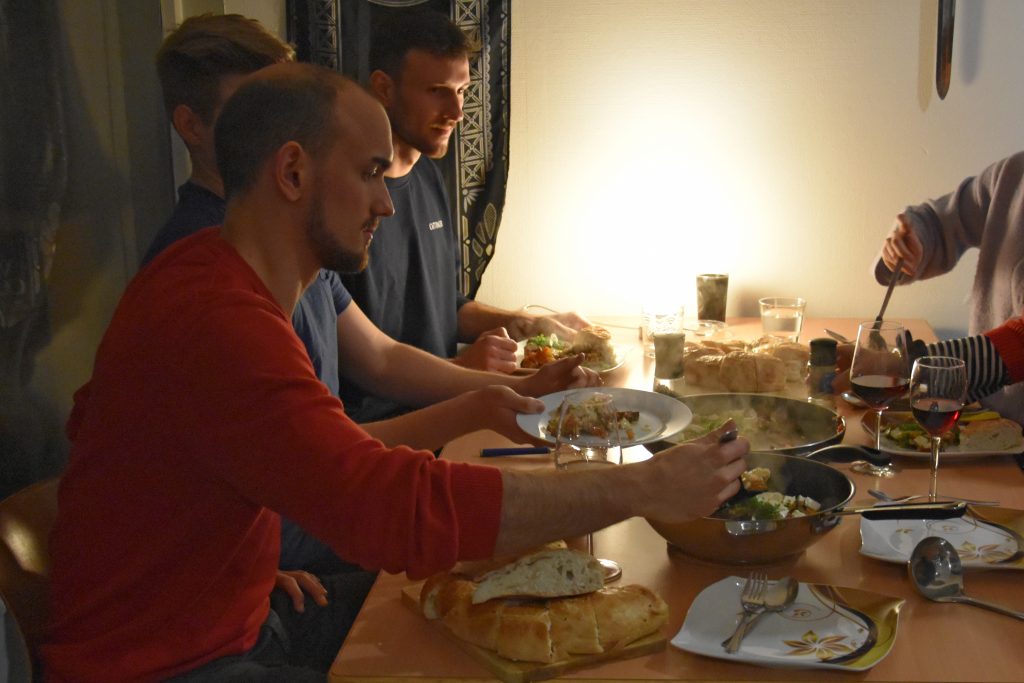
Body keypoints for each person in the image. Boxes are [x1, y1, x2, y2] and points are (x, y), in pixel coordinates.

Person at [41, 63, 749, 681]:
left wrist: (238, 561)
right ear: (292, 172)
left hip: (242, 615)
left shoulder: (215, 281)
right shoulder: (218, 321)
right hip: (167, 667)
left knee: (515, 620)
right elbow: (393, 512)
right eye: (371, 172)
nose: (387, 202)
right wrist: (647, 483)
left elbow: (183, 472)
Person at [148, 13, 598, 573]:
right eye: (368, 174)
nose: (384, 203)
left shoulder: (286, 244)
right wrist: (631, 490)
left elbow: (380, 356)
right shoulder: (207, 287)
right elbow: (329, 469)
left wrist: (504, 391)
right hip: (272, 576)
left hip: (292, 536)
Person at [340, 11, 590, 422]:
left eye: (461, 90)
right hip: (393, 433)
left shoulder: (428, 176)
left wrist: (526, 323)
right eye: (438, 90)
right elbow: (366, 366)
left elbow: (444, 306)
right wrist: (463, 370)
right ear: (384, 88)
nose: (457, 110)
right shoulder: (347, 203)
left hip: (453, 406)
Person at [863, 151, 1024, 422]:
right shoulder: (1013, 174)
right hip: (986, 418)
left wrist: (910, 365)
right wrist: (915, 242)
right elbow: (937, 219)